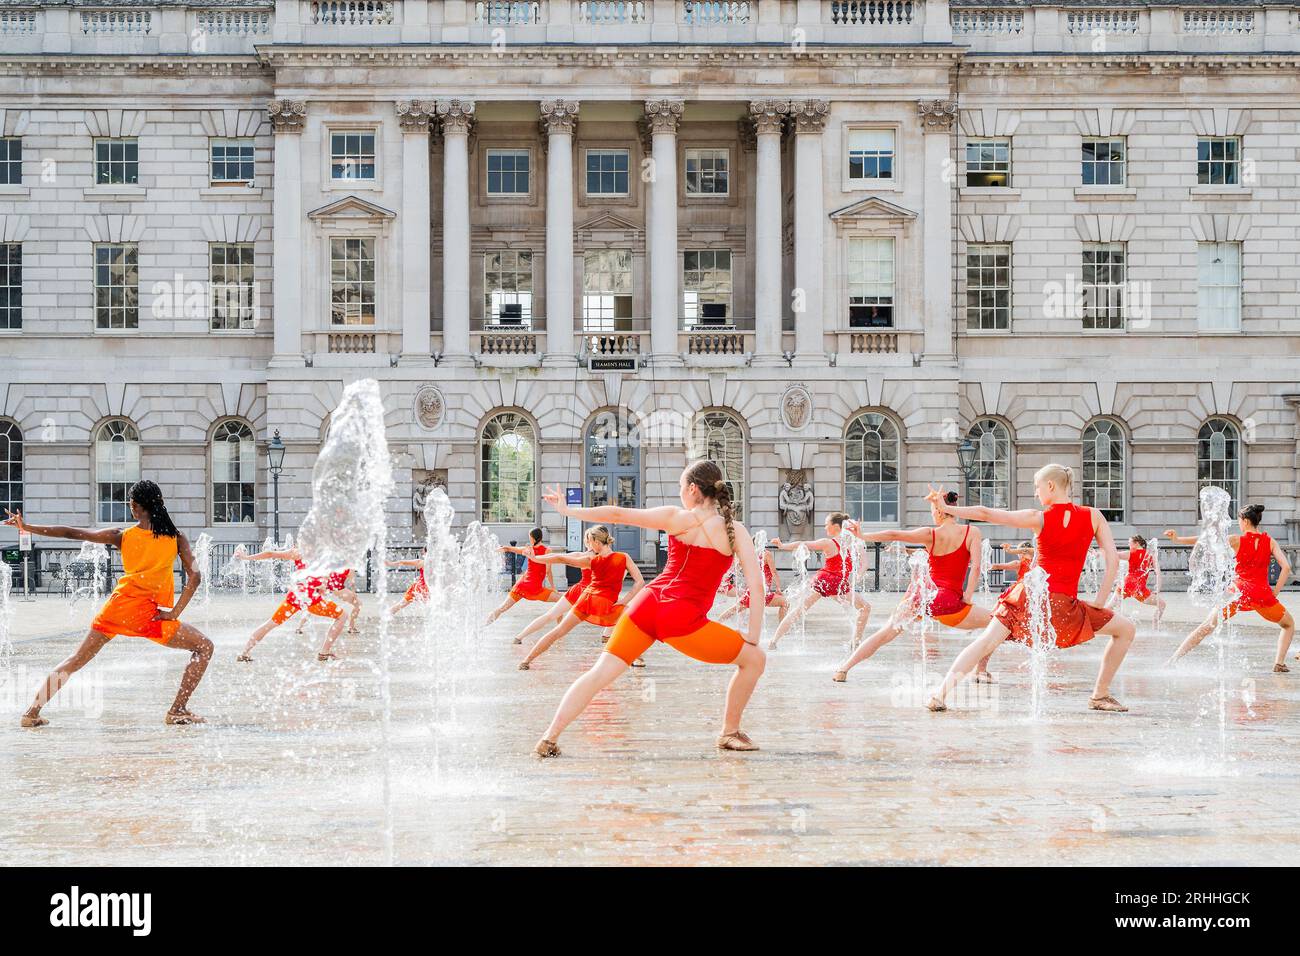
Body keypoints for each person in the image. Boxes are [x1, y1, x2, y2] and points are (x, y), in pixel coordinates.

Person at [531, 461, 768, 756]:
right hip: (681, 620)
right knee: (755, 659)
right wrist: (753, 635)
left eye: (682, 487)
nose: (680, 492)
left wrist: (568, 511)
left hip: (647, 604)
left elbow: (617, 514)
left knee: (598, 673)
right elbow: (757, 587)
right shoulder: (735, 531)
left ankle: (549, 737)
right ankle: (729, 732)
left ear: (693, 489)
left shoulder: (674, 517)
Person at [923, 465, 1138, 713]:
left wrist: (947, 508)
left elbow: (987, 513)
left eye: (1037, 487)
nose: (1036, 494)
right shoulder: (1094, 516)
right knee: (1126, 630)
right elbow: (1111, 557)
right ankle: (1100, 694)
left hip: (1028, 597)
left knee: (984, 643)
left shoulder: (1040, 518)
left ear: (1050, 486)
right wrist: (1101, 600)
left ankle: (939, 694)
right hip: (1063, 605)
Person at [5, 481, 214, 727]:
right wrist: (174, 612)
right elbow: (196, 576)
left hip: (116, 609)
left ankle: (31, 712)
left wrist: (26, 526)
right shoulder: (176, 538)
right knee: (204, 647)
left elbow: (70, 532)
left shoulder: (121, 535)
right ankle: (178, 710)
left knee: (75, 660)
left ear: (135, 507)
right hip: (147, 616)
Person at [833, 491, 996, 683]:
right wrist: (968, 596)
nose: (932, 516)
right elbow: (975, 567)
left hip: (920, 595)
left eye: (933, 512)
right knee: (996, 623)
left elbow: (894, 534)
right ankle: (980, 670)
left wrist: (863, 535)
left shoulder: (930, 534)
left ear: (940, 511)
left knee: (884, 634)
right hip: (947, 601)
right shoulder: (972, 532)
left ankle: (844, 669)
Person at [1165, 504, 1294, 672]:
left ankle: (1173, 659)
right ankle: (1279, 663)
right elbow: (1286, 567)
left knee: (1207, 626)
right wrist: (1274, 592)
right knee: (1288, 625)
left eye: (1239, 520)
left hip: (1237, 591)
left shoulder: (1236, 539)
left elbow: (1207, 540)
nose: (1239, 524)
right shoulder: (1270, 541)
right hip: (1261, 594)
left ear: (1246, 521)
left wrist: (1177, 540)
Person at [516, 526, 643, 669]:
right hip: (606, 604)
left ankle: (526, 661)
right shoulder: (624, 557)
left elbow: (561, 558)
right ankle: (637, 658)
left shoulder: (591, 559)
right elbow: (640, 582)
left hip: (587, 599)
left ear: (596, 541)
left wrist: (535, 558)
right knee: (635, 623)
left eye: (589, 541)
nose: (588, 545)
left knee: (558, 631)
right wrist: (622, 602)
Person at [767, 513, 872, 649]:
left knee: (798, 610)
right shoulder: (855, 544)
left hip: (824, 580)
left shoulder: (829, 543)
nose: (825, 527)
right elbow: (865, 565)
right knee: (865, 608)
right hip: (837, 583)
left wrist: (783, 546)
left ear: (835, 526)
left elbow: (802, 544)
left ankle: (773, 641)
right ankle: (855, 643)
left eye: (826, 524)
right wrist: (856, 579)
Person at [235, 547, 346, 662]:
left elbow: (270, 554)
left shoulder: (299, 552)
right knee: (342, 616)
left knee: (270, 623)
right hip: (311, 600)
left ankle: (244, 652)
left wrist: (246, 558)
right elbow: (323, 581)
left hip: (295, 597)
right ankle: (324, 652)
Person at [486, 528, 558, 625]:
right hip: (535, 588)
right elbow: (548, 571)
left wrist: (494, 550)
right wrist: (553, 587)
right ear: (541, 537)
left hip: (521, 586)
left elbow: (508, 548)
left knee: (502, 608)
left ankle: (484, 625)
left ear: (532, 538)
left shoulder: (527, 550)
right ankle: (560, 630)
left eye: (530, 537)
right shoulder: (547, 550)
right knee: (560, 601)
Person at [717, 547, 788, 625]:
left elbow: (738, 567)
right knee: (785, 603)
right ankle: (782, 630)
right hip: (760, 591)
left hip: (753, 590)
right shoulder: (766, 554)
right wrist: (778, 588)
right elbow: (773, 572)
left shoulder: (749, 556)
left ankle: (717, 623)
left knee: (736, 609)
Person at [1108, 535, 1165, 627]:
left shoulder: (1131, 553)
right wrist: (1158, 588)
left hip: (1127, 585)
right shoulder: (1150, 555)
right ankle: (1155, 627)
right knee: (1161, 605)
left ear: (1136, 543)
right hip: (1139, 589)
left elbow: (1114, 555)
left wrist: (1098, 554)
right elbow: (1158, 573)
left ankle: (1097, 623)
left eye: (1129, 542)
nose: (1128, 544)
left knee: (1110, 607)